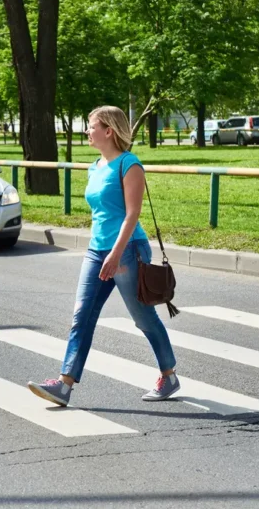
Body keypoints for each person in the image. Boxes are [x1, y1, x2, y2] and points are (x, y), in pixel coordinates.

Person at [27, 105, 180, 407]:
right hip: (97, 251)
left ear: (108, 130)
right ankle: (64, 384)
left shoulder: (129, 164)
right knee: (81, 316)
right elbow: (101, 212)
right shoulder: (94, 166)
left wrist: (116, 252)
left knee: (143, 317)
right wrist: (103, 251)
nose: (87, 131)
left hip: (127, 250)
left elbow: (132, 214)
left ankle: (169, 374)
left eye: (91, 125)